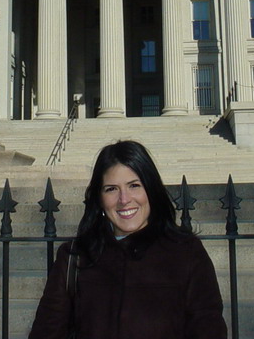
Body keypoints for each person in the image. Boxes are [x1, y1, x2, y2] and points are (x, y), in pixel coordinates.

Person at [29, 140, 227, 339]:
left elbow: (208, 329)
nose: (124, 199)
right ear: (99, 198)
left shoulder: (187, 253)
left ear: (151, 189)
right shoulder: (75, 257)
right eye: (111, 189)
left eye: (134, 185)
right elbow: (46, 331)